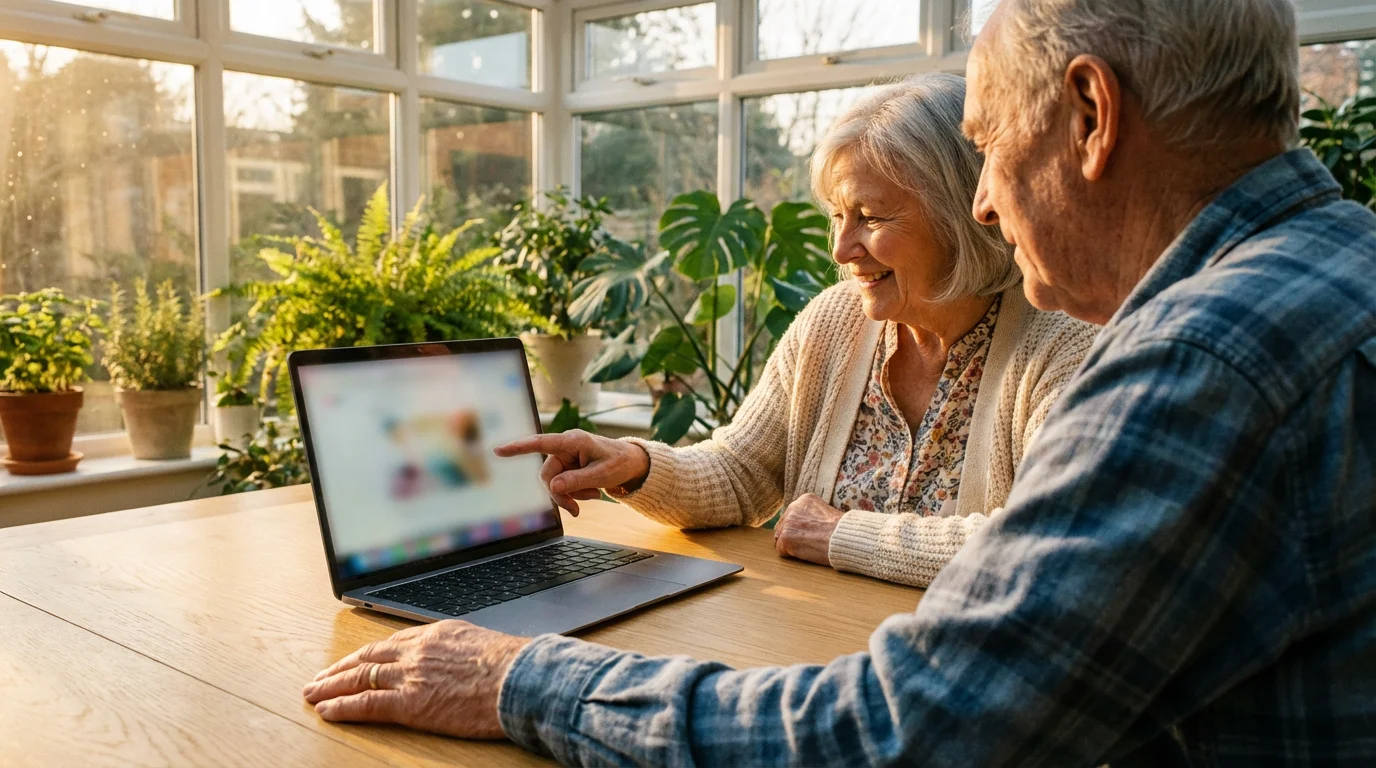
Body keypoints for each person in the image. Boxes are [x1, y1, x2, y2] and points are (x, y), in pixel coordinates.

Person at [303, 0, 1376, 764]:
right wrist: (637, 463)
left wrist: (516, 678)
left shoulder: (1195, 365)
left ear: (1089, 117)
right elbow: (739, 470)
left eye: (990, 148)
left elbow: (901, 731)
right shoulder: (1336, 267)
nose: (993, 205)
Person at [501, 73, 1097, 590]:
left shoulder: (1062, 341)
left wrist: (839, 533)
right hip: (814, 644)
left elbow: (1048, 541)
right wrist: (633, 463)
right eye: (838, 216)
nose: (842, 247)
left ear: (961, 213)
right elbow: (739, 473)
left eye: (870, 217)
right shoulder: (834, 321)